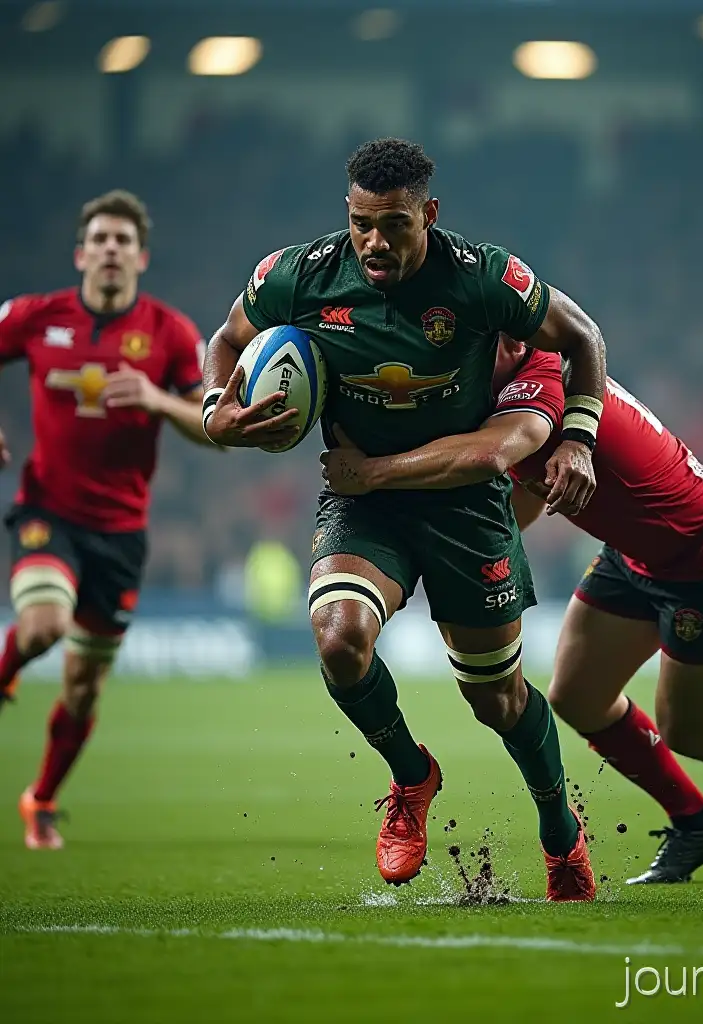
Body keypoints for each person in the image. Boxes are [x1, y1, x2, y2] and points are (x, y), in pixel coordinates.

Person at [323, 338, 703, 884]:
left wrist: (376, 479)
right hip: (637, 555)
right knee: (577, 696)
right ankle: (697, 823)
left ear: (510, 342)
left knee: (694, 730)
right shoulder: (514, 387)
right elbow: (525, 492)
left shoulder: (540, 385)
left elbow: (494, 456)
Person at [202, 138, 607, 901]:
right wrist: (214, 407)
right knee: (339, 640)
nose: (376, 242)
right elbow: (226, 340)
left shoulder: (482, 277)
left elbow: (582, 338)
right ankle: (411, 776)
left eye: (394, 224)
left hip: (463, 507)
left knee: (497, 700)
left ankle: (560, 830)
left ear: (430, 214)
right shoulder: (301, 274)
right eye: (362, 224)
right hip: (364, 504)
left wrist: (579, 438)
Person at [0, 189, 214, 849]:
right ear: (81, 254)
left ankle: (40, 800)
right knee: (43, 625)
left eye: (124, 240)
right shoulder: (38, 317)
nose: (111, 250)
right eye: (100, 239)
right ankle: (5, 671)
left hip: (121, 533)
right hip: (48, 512)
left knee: (83, 687)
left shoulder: (171, 333)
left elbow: (215, 428)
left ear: (141, 257)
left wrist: (157, 399)